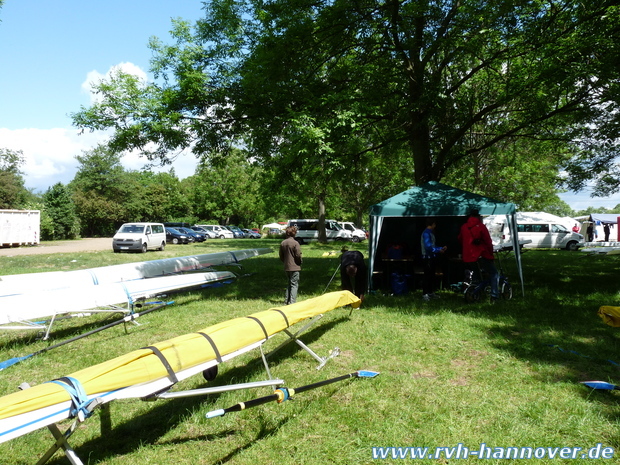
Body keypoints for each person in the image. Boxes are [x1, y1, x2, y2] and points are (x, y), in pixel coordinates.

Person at [458, 210, 499, 303]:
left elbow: (460, 239)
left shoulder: (464, 227)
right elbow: (488, 242)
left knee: (476, 275)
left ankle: (475, 293)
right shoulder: (481, 227)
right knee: (494, 273)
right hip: (480, 255)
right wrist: (491, 255)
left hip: (468, 256)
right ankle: (494, 295)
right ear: (479, 217)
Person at [420, 218, 447, 301]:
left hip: (432, 257)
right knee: (427, 276)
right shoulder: (426, 233)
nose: (435, 226)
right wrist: (438, 250)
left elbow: (433, 245)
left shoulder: (430, 233)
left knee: (431, 275)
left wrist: (440, 248)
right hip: (427, 257)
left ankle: (430, 292)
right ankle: (425, 294)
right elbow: (428, 247)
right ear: (432, 224)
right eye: (434, 224)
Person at [279, 226, 303, 305]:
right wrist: (299, 262)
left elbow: (281, 256)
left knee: (289, 283)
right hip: (295, 266)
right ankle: (292, 302)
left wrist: (285, 262)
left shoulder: (283, 243)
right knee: (294, 284)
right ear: (294, 233)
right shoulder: (295, 243)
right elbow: (298, 255)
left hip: (286, 266)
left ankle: (286, 300)